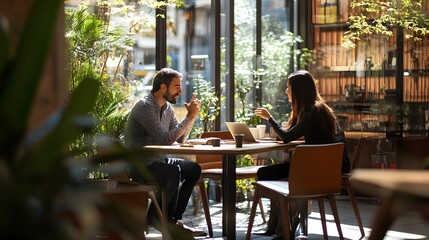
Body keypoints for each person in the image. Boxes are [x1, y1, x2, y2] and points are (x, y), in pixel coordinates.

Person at [254, 70, 350, 239]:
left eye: (288, 87)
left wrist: (269, 118)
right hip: (330, 167)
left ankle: (282, 226)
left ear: (298, 90)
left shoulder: (311, 111)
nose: (286, 91)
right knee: (272, 173)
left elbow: (287, 137)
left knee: (265, 173)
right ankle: (280, 226)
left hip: (318, 170)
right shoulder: (320, 109)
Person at [123, 68, 206, 237]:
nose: (180, 91)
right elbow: (164, 139)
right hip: (140, 166)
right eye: (176, 86)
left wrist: (192, 117)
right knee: (173, 172)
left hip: (158, 162)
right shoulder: (144, 107)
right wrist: (188, 117)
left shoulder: (167, 108)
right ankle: (161, 220)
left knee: (193, 169)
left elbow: (180, 138)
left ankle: (171, 219)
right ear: (163, 87)